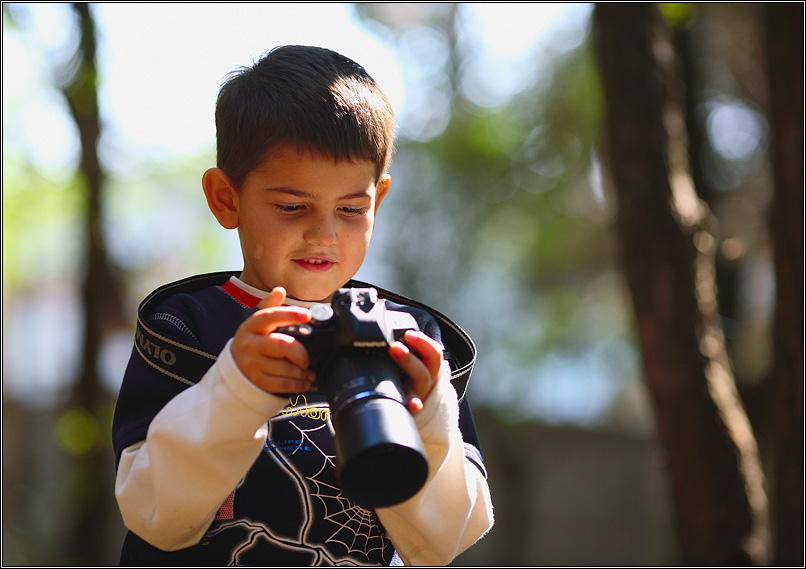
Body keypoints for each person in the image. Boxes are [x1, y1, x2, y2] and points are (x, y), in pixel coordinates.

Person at [112, 45, 494, 566]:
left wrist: (429, 414)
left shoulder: (407, 336)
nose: (324, 234)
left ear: (377, 200)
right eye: (292, 207)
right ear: (227, 199)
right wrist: (238, 389)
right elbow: (153, 513)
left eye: (351, 209)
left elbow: (444, 541)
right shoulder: (187, 327)